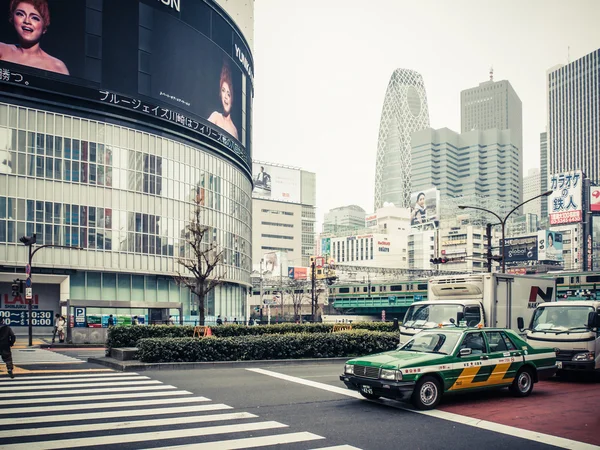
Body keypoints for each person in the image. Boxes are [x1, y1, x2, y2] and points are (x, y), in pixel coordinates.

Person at [0, 0, 69, 75]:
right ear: (12, 19)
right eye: (20, 14)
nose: (27, 21)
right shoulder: (2, 51)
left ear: (44, 28)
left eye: (35, 18)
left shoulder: (56, 67)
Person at [208, 62, 238, 139]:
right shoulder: (215, 116)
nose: (225, 97)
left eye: (228, 94)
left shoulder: (234, 130)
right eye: (223, 91)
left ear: (232, 99)